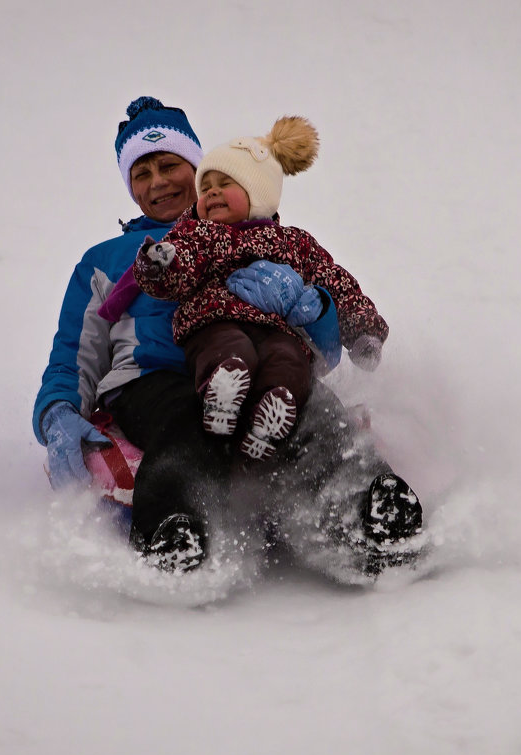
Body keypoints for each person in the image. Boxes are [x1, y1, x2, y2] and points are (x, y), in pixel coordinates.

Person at [33, 96, 425, 578]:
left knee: (314, 417)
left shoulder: (263, 235)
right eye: (142, 173)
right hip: (155, 379)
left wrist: (309, 304)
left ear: (198, 169)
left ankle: (371, 512)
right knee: (182, 427)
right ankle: (171, 534)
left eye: (169, 165)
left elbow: (322, 349)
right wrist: (58, 414)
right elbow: (74, 353)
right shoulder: (111, 258)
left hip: (263, 370)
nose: (158, 181)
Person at [131, 116, 387, 461]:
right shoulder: (196, 234)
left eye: (226, 183)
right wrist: (159, 263)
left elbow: (334, 281)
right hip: (215, 319)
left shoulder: (293, 243)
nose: (212, 192)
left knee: (288, 360)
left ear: (259, 193)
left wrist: (363, 332)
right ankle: (221, 394)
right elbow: (178, 270)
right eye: (205, 187)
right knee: (229, 349)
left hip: (279, 328)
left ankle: (272, 414)